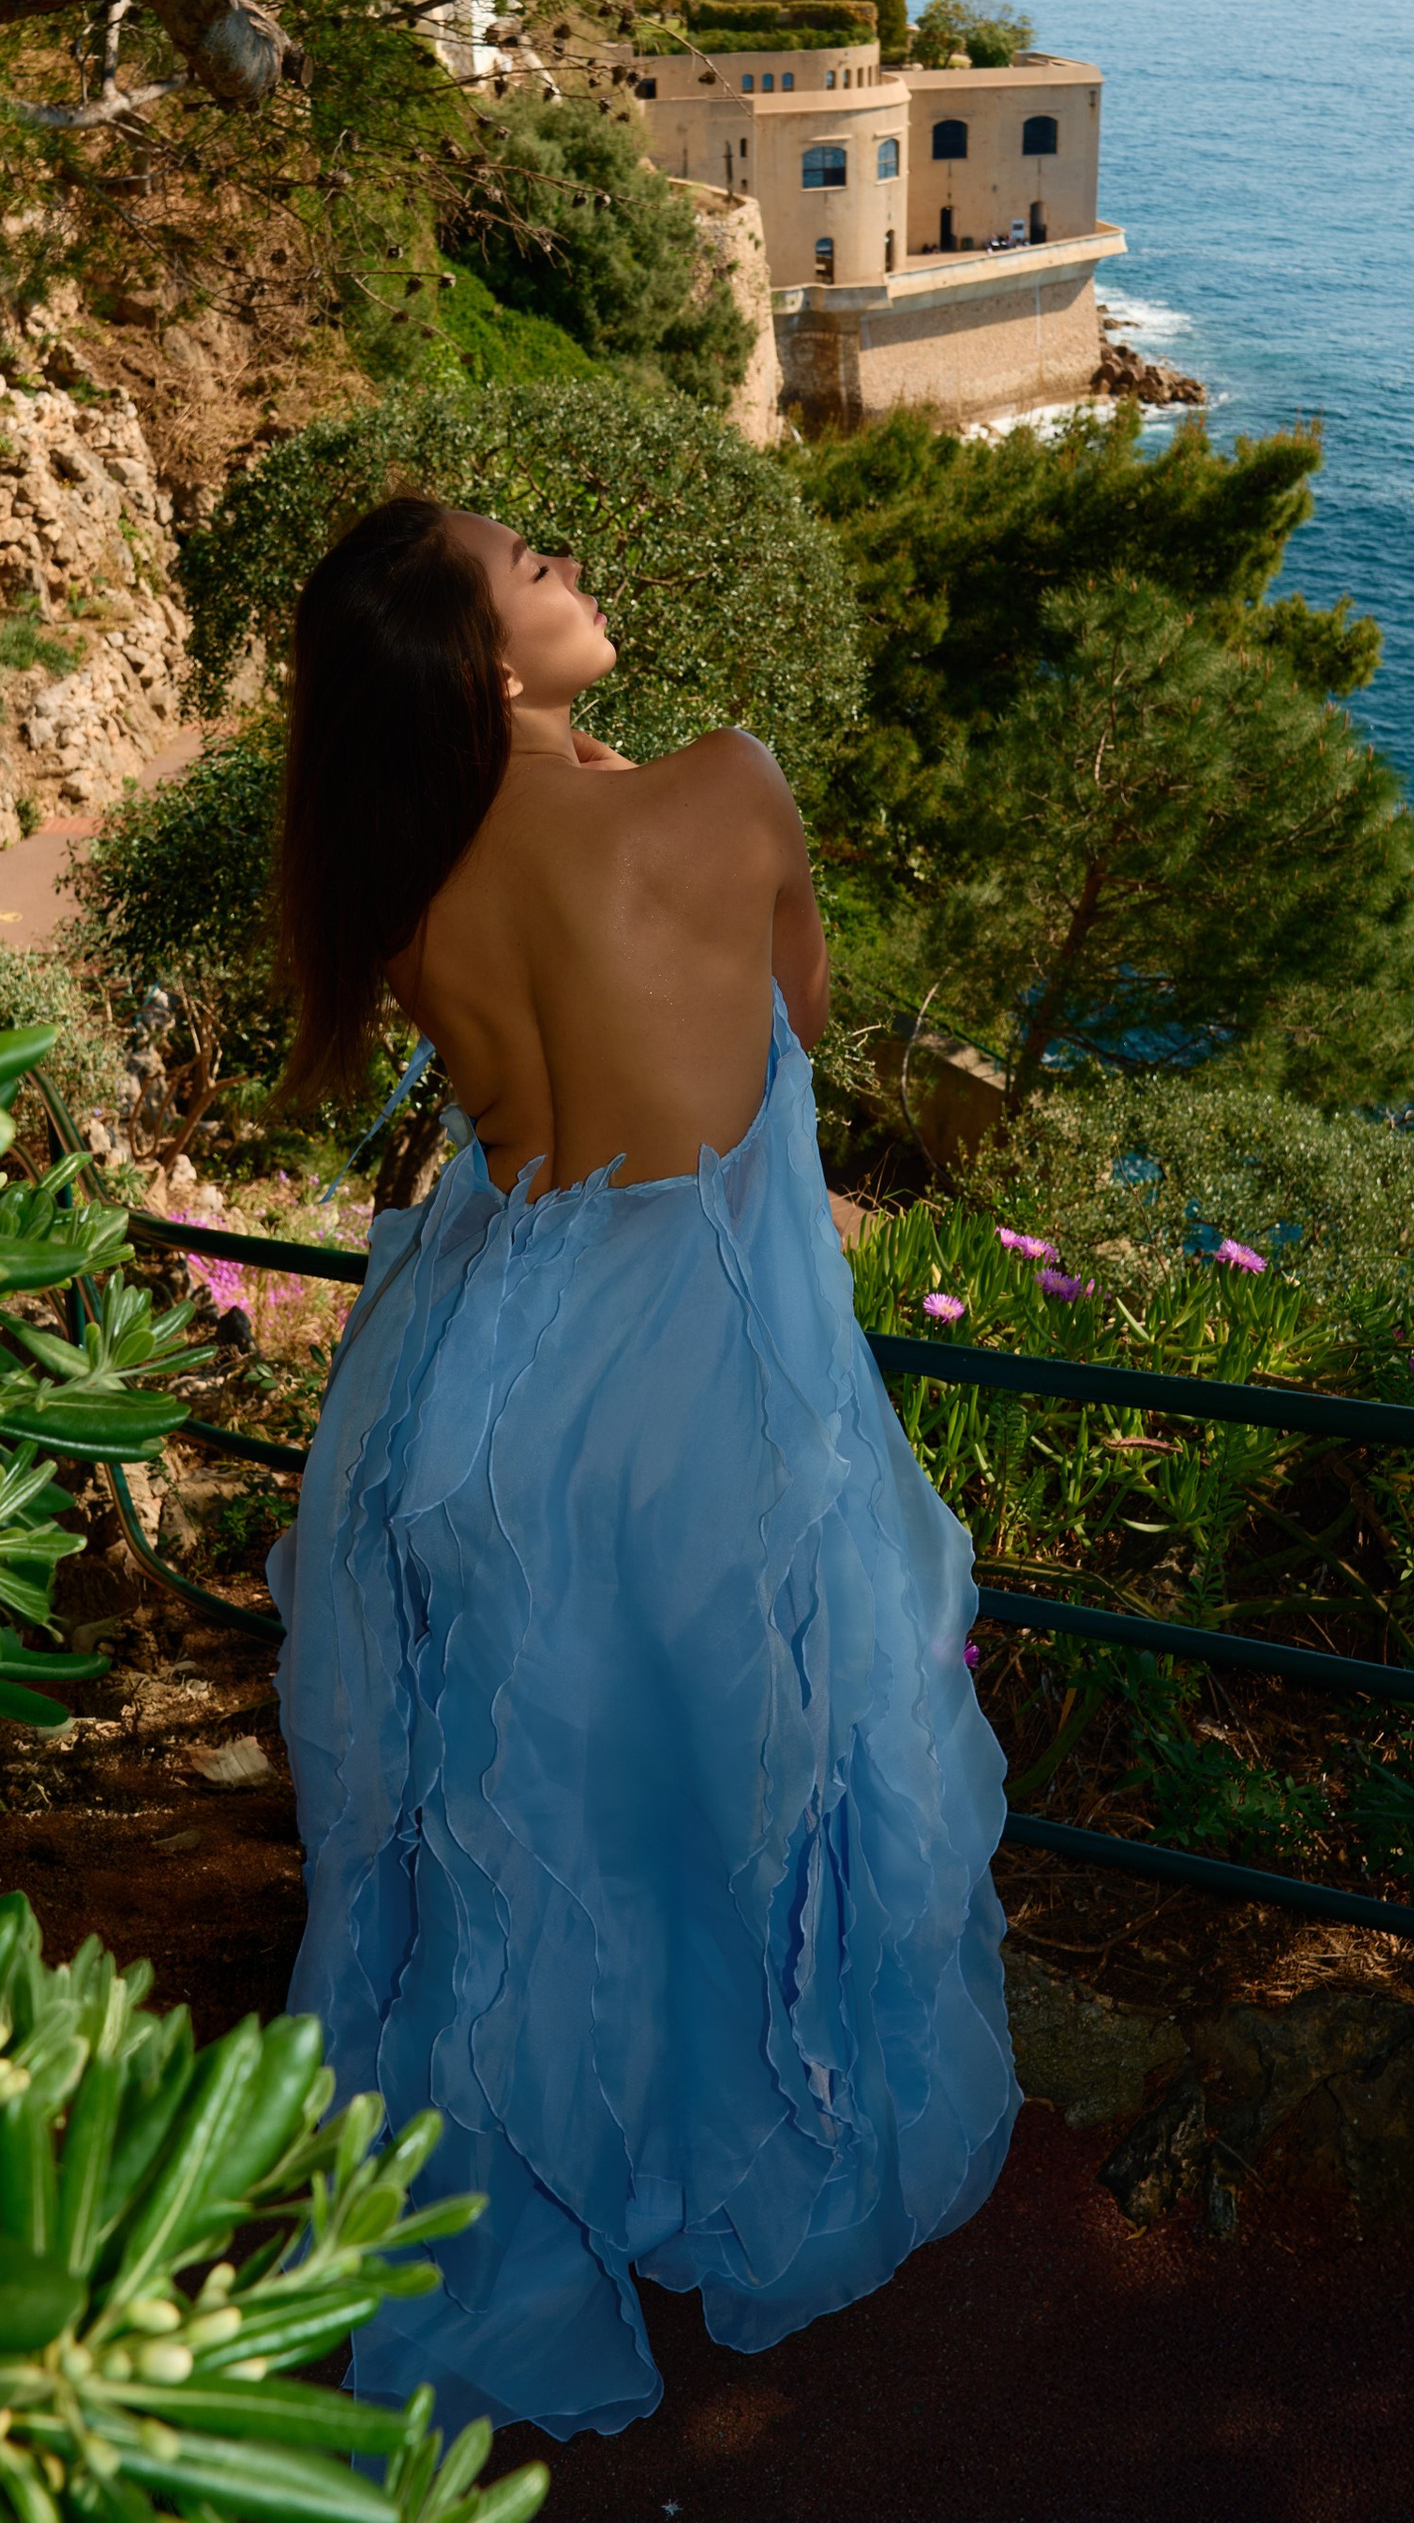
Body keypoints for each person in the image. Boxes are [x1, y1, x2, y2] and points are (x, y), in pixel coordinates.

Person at [270, 492, 1019, 2441]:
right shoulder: (725, 788)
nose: (570, 568)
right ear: (478, 659)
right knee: (736, 1794)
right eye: (531, 566)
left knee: (537, 1818)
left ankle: (542, 2188)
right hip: (693, 1380)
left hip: (483, 1380)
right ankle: (732, 2160)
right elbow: (794, 1032)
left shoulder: (408, 882)